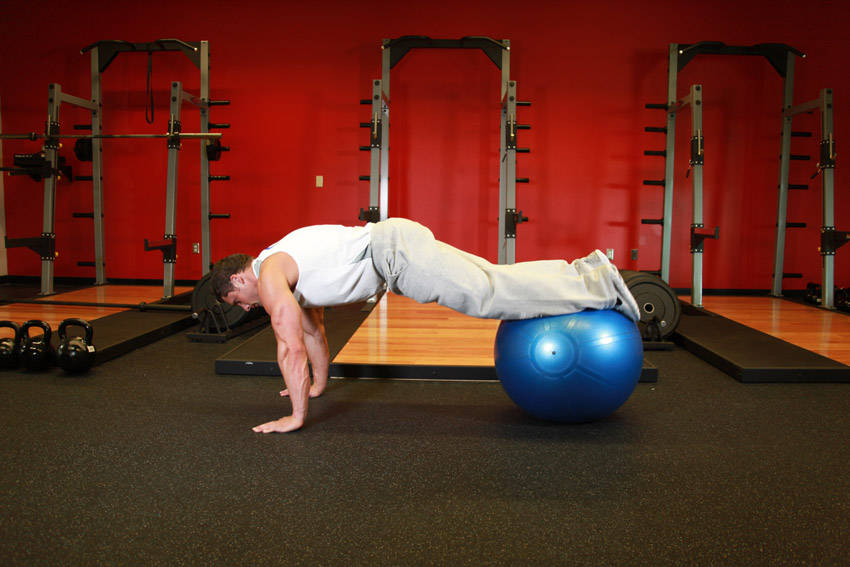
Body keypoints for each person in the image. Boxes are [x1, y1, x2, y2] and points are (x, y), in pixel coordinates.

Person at [212, 217, 640, 434]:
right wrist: (317, 385)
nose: (247, 308)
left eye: (238, 302)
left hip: (394, 255)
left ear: (238, 281)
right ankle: (585, 273)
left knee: (487, 294)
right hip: (395, 244)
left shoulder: (270, 276)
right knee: (492, 279)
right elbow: (311, 332)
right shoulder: (282, 266)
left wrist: (295, 416)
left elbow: (290, 346)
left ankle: (599, 286)